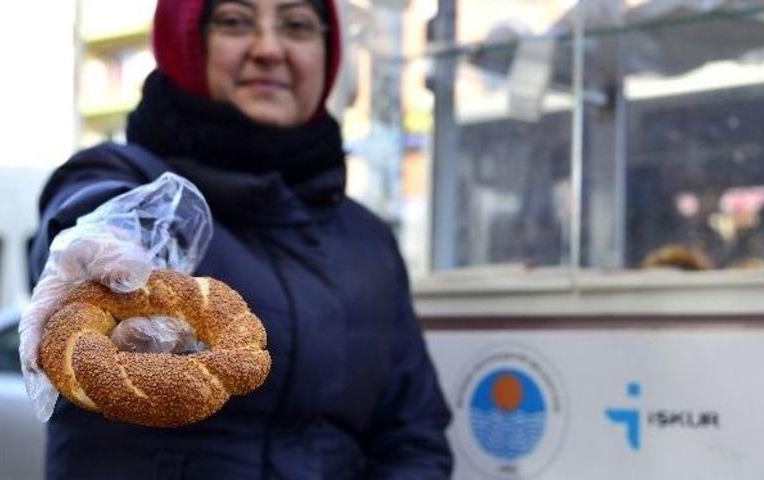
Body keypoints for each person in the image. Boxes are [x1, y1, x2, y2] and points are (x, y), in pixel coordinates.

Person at [27, 0, 453, 478]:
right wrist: (103, 233)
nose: (269, 49)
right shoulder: (122, 174)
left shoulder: (368, 241)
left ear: (328, 55)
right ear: (187, 44)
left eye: (296, 25)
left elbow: (412, 436)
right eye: (235, 21)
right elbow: (88, 207)